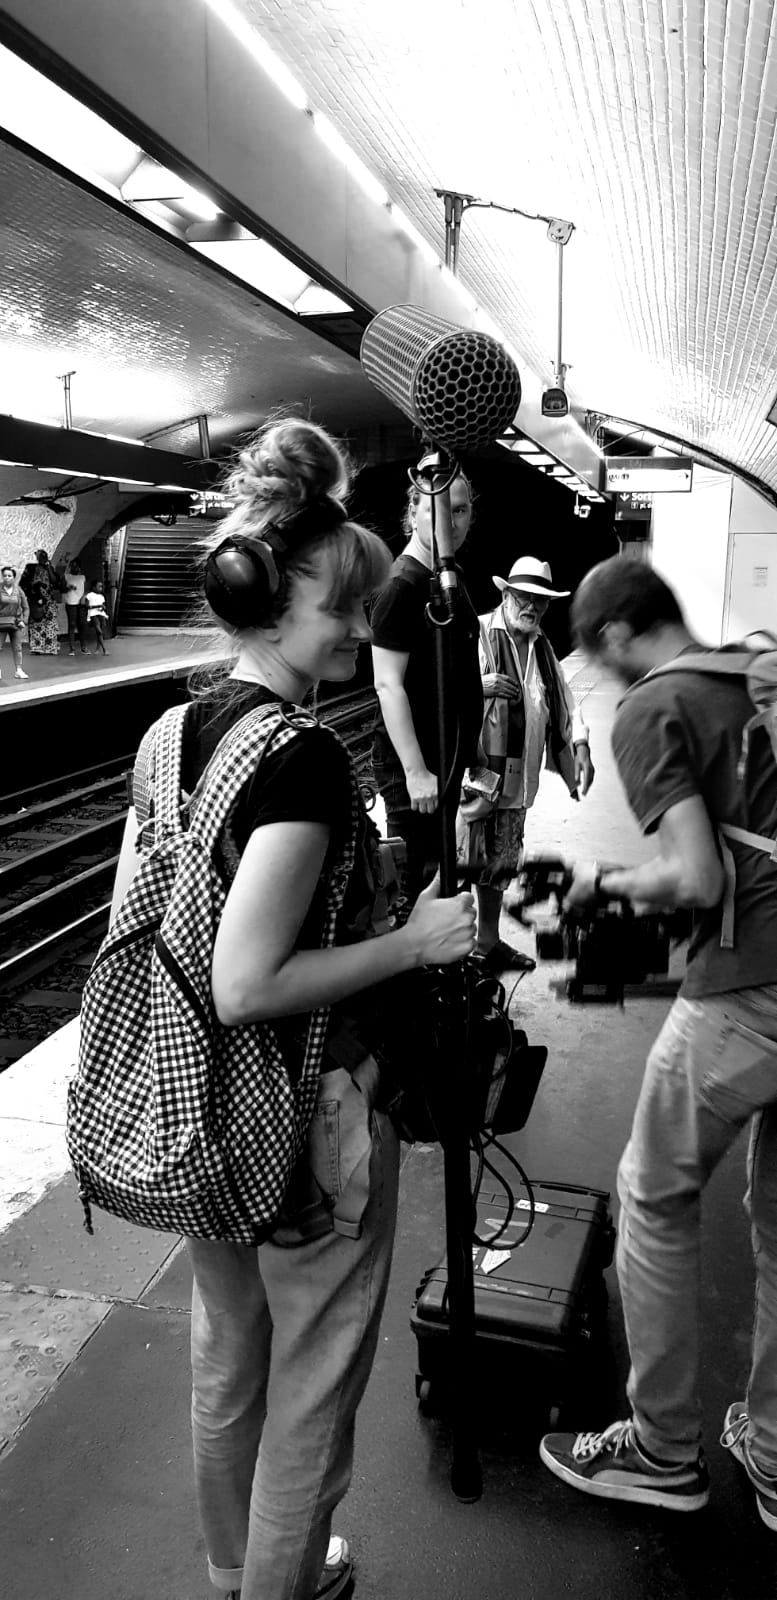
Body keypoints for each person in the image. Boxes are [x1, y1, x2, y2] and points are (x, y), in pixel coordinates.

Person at [110, 417, 476, 1600]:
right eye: (339, 602)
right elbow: (246, 980)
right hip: (307, 1117)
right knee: (312, 1387)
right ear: (265, 596)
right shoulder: (304, 758)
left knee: (229, 1359)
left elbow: (158, 927)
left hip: (197, 1107)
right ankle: (284, 1585)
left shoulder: (171, 731)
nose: (360, 626)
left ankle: (232, 1571)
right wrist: (413, 938)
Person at [539, 557, 777, 1528]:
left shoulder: (653, 706)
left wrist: (609, 886)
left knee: (654, 1195)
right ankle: (771, 1448)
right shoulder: (751, 672)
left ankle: (663, 1447)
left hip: (748, 991)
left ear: (616, 638)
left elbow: (697, 876)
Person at [457, 556, 594, 971]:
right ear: (505, 595)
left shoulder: (541, 648)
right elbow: (437, 689)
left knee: (501, 865)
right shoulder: (477, 632)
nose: (531, 606)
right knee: (464, 861)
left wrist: (581, 744)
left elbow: (565, 700)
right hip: (475, 777)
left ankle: (488, 942)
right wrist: (477, 687)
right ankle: (452, 953)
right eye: (523, 597)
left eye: (540, 600)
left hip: (516, 782)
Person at [370, 469, 484, 904]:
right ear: (413, 514)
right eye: (437, 509)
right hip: (417, 770)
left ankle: (442, 960)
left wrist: (467, 743)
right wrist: (416, 772)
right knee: (417, 881)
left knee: (440, 873)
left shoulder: (444, 577)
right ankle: (419, 965)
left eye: (460, 510)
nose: (450, 523)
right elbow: (387, 685)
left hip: (445, 758)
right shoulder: (403, 586)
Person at [20, 548, 61, 655]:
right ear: (37, 557)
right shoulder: (30, 568)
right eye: (40, 555)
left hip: (49, 601)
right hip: (35, 600)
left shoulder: (49, 568)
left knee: (50, 623)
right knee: (36, 623)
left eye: (44, 555)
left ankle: (50, 647)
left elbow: (55, 582)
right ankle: (37, 647)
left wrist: (49, 568)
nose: (42, 557)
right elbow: (23, 584)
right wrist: (31, 597)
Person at [0, 565, 30, 681]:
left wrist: (24, 621)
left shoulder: (18, 590)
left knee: (17, 648)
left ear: (14, 577)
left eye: (9, 576)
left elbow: (26, 607)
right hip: (1, 623)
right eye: (5, 576)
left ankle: (19, 670)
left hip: (16, 623)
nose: (7, 578)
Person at [62, 556, 88, 655]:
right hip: (71, 602)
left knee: (82, 624)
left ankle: (83, 646)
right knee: (72, 624)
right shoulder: (66, 576)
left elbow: (85, 589)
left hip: (80, 602)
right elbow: (61, 589)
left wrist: (83, 597)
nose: (74, 568)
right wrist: (68, 588)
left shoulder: (82, 577)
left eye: (76, 566)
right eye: (72, 566)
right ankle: (72, 648)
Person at [84, 580, 110, 654]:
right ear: (93, 587)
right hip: (93, 614)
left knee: (100, 632)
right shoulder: (89, 595)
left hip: (101, 614)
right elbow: (87, 606)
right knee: (99, 631)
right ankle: (104, 649)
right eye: (99, 586)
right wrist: (98, 606)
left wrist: (102, 608)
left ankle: (98, 648)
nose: (100, 588)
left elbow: (103, 605)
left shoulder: (101, 596)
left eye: (101, 586)